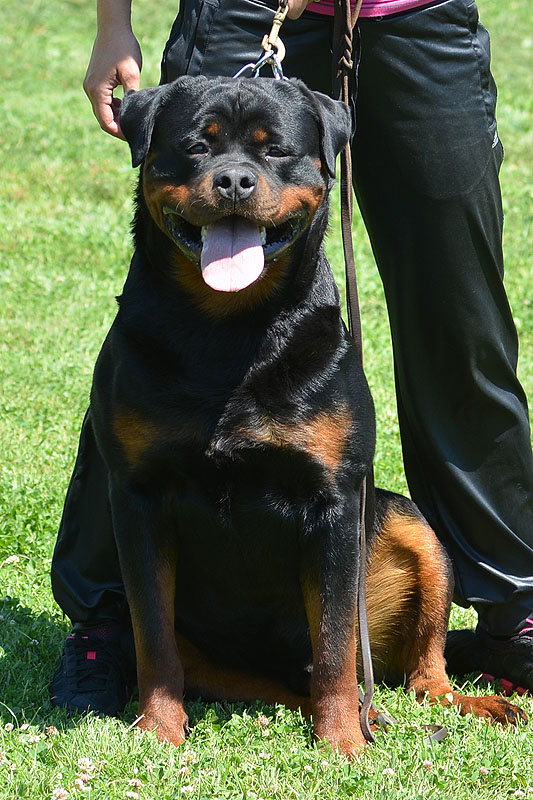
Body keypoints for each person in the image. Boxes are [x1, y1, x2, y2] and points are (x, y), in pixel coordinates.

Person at [50, 0, 533, 716]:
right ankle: (109, 624)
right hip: (241, 7)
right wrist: (112, 22)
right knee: (150, 349)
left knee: (459, 326)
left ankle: (510, 614)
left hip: (414, 13)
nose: (237, 178)